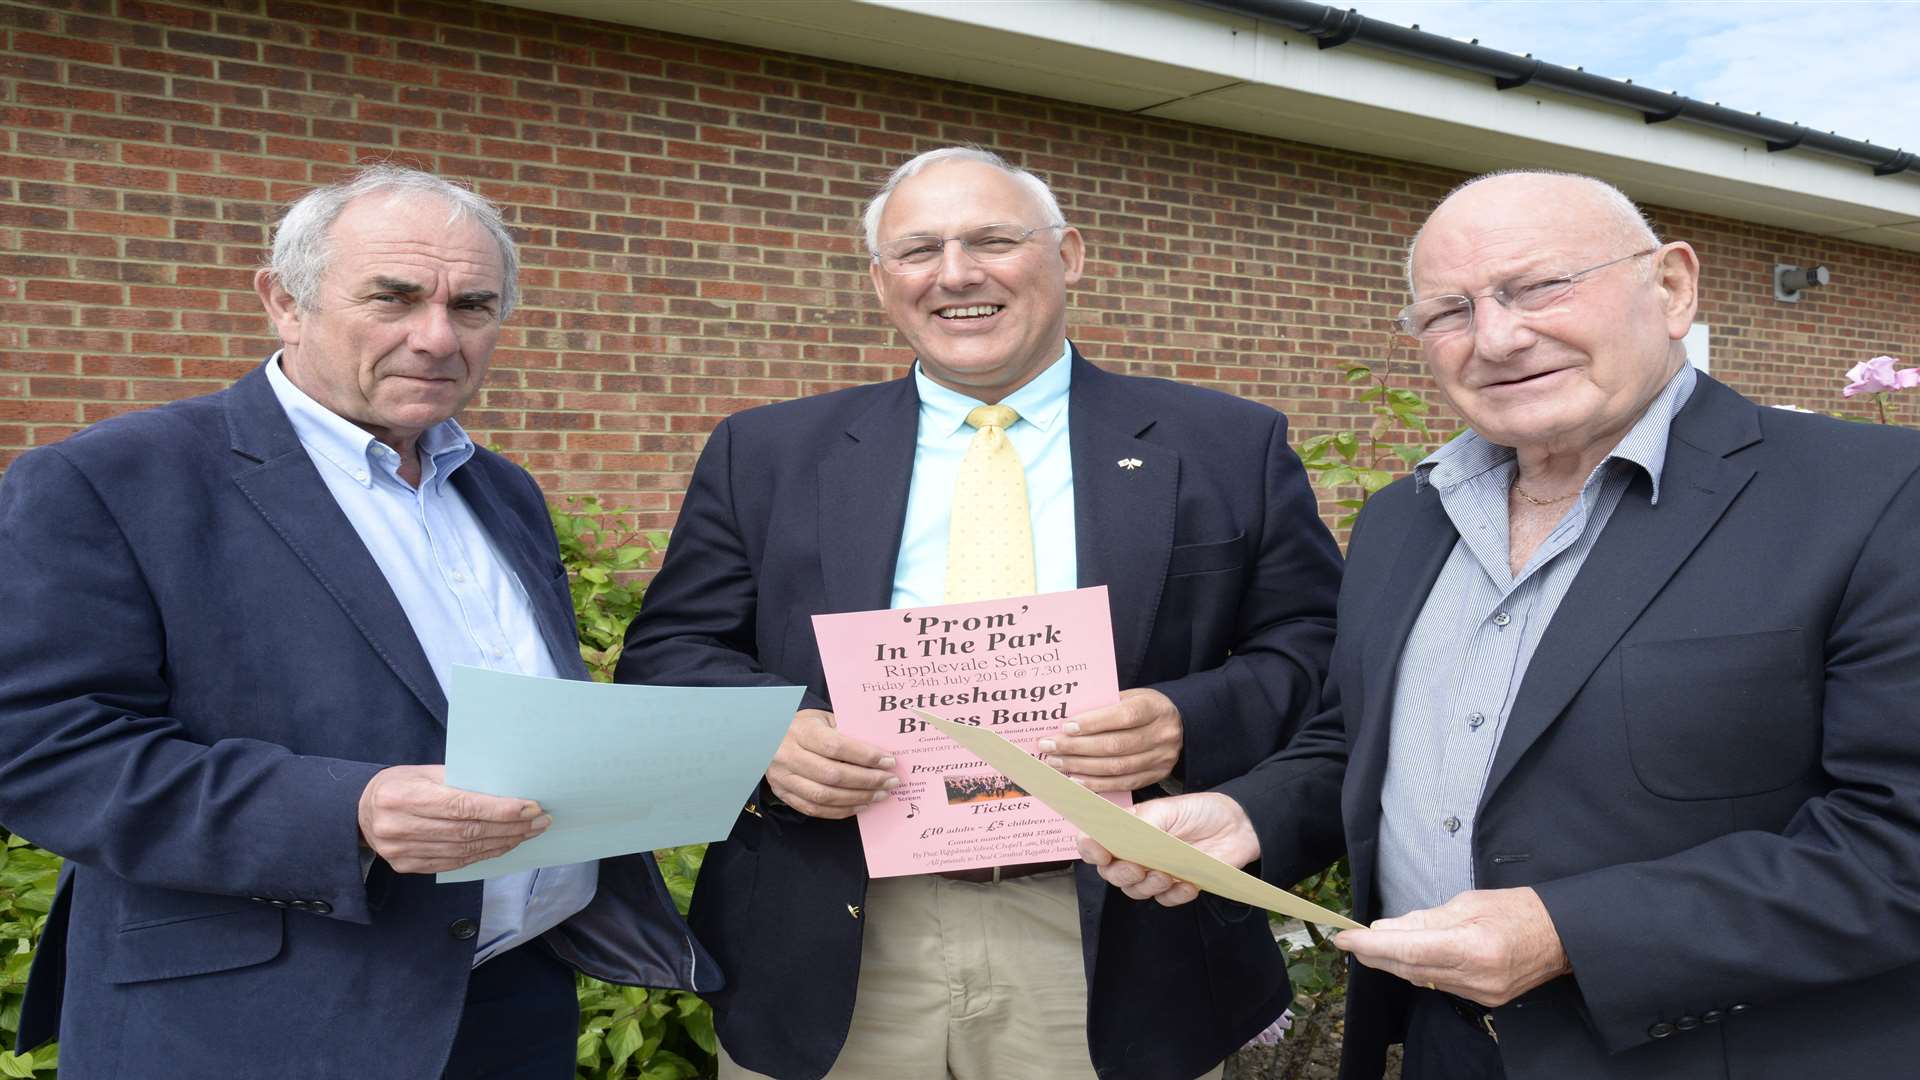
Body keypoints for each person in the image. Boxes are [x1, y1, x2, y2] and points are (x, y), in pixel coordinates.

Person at [1081, 170, 1920, 1080]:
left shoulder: (1877, 497)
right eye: (1449, 312)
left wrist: (1569, 935)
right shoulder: (1408, 517)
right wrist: (1251, 813)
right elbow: (1358, 740)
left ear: (1672, 286)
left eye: (1541, 287)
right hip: (1444, 1052)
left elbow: (1897, 845)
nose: (1498, 337)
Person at [616, 146, 1343, 1080]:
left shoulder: (1226, 443)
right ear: (882, 282)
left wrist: (1185, 722)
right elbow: (670, 651)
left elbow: (1315, 649)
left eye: (993, 240)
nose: (956, 274)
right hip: (838, 933)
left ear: (1068, 254)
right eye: (919, 251)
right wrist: (768, 734)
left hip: (1118, 927)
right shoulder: (764, 452)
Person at [0, 165, 717, 1079]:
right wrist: (348, 813)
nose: (437, 337)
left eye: (473, 306)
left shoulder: (501, 490)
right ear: (284, 302)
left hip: (509, 999)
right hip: (256, 1026)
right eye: (395, 297)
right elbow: (42, 750)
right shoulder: (111, 481)